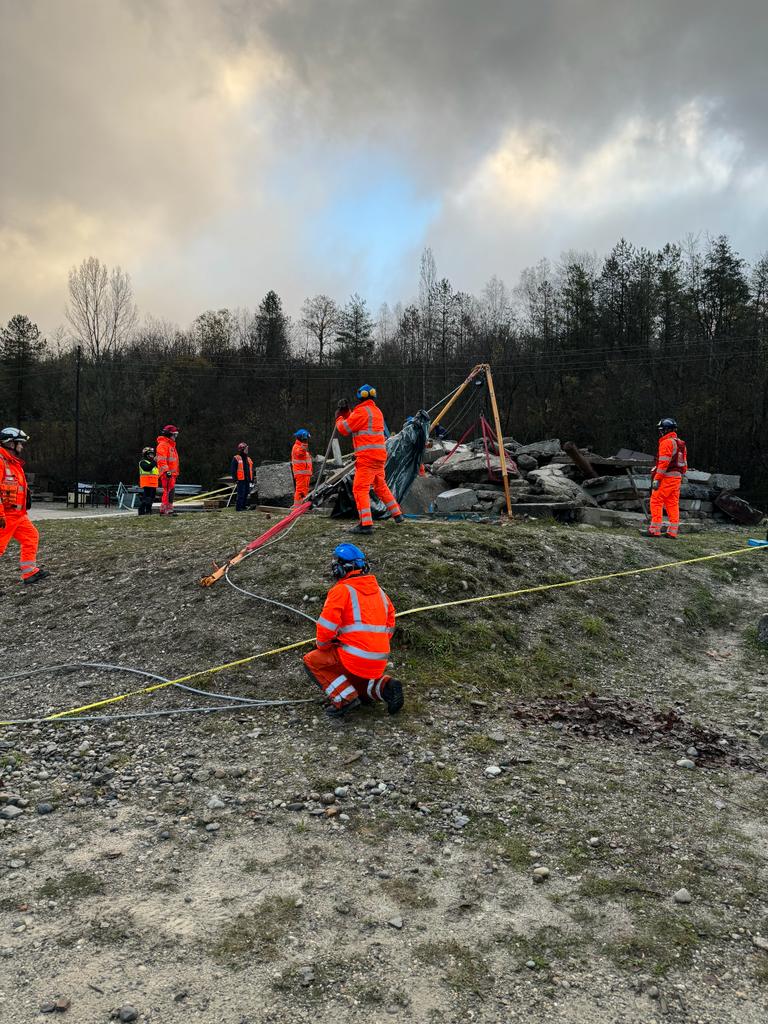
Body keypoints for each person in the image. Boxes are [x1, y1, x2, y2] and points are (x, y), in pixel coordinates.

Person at [302, 543, 404, 719]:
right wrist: (373, 642)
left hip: (354, 657)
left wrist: (323, 645)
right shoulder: (379, 591)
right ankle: (386, 687)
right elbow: (390, 620)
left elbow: (326, 628)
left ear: (341, 568)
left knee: (312, 660)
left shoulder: (341, 590)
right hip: (379, 658)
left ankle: (345, 699)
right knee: (357, 683)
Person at [335, 384, 404, 534]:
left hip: (367, 458)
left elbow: (345, 429)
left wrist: (340, 417)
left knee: (360, 488)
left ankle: (365, 524)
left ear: (359, 396)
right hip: (379, 457)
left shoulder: (361, 412)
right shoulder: (376, 411)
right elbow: (356, 422)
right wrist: (348, 413)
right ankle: (397, 514)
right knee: (380, 486)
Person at [0, 427, 49, 585]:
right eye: (19, 443)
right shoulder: (1, 462)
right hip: (5, 516)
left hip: (19, 515)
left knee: (31, 537)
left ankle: (30, 573)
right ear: (10, 443)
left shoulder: (14, 464)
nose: (22, 447)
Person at [648, 417, 688, 539]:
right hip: (677, 479)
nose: (660, 432)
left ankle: (655, 530)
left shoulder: (666, 442)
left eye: (661, 430)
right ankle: (673, 532)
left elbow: (663, 464)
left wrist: (657, 479)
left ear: (665, 430)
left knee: (656, 501)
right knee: (672, 504)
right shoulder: (681, 443)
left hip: (666, 478)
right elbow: (684, 465)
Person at [155, 424, 180, 516]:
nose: (175, 437)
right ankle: (165, 510)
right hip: (167, 473)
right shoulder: (163, 445)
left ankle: (168, 509)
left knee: (171, 491)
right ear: (170, 434)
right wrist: (167, 471)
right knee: (168, 491)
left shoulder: (170, 445)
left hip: (171, 473)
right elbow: (162, 460)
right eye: (175, 434)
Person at [291, 429, 313, 506]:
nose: (307, 440)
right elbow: (300, 453)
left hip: (305, 474)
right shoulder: (297, 447)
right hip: (301, 474)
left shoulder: (301, 447)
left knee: (304, 492)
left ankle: (301, 507)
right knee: (300, 491)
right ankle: (296, 507)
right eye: (306, 438)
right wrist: (304, 443)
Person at [231, 442, 254, 512]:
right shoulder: (236, 458)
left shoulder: (248, 459)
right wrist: (235, 479)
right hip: (240, 480)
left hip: (247, 479)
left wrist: (252, 479)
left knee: (246, 493)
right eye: (246, 449)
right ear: (242, 449)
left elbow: (251, 469)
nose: (247, 450)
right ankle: (239, 508)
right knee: (241, 494)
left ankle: (243, 507)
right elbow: (233, 469)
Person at [138, 447, 158, 515]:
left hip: (153, 484)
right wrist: (154, 461)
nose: (152, 456)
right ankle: (141, 511)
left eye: (153, 454)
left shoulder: (153, 463)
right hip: (147, 483)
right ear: (146, 455)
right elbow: (147, 468)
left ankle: (148, 511)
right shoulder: (143, 462)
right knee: (146, 499)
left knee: (151, 499)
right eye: (150, 454)